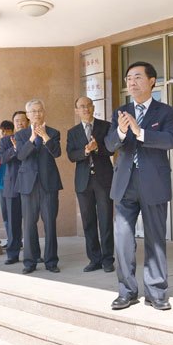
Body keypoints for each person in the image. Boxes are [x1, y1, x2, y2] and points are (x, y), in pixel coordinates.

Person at [105, 61, 173, 311]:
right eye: (128, 78)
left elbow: (169, 141)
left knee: (155, 239)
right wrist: (123, 133)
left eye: (137, 77)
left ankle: (156, 292)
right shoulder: (121, 111)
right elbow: (109, 144)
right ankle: (126, 291)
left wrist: (140, 132)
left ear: (152, 81)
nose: (131, 82)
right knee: (123, 240)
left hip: (153, 183)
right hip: (125, 183)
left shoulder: (165, 112)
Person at [67, 96, 115, 273]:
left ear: (93, 108)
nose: (85, 109)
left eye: (88, 106)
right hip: (83, 182)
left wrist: (97, 148)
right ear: (76, 110)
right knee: (88, 221)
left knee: (105, 220)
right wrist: (86, 151)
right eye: (81, 106)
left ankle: (108, 259)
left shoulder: (106, 126)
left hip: (103, 179)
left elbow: (111, 149)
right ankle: (94, 259)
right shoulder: (73, 132)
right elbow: (71, 155)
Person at [15, 99, 63, 274]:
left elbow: (57, 152)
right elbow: (20, 156)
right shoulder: (20, 135)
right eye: (33, 111)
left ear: (44, 112)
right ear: (27, 115)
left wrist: (45, 137)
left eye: (39, 111)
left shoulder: (53, 132)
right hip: (28, 185)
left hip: (49, 184)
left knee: (50, 223)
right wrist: (32, 139)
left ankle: (51, 261)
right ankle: (30, 261)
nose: (36, 114)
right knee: (29, 225)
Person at [0, 113, 28, 264]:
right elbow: (1, 158)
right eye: (17, 121)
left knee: (30, 221)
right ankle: (12, 254)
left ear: (27, 122)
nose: (20, 123)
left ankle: (32, 253)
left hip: (30, 184)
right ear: (13, 123)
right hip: (12, 185)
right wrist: (15, 149)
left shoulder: (32, 138)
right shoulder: (5, 141)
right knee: (13, 221)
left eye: (23, 120)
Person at [0, 120, 14, 248]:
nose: (4, 133)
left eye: (7, 131)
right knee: (5, 214)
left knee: (14, 214)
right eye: (2, 131)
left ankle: (16, 239)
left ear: (12, 132)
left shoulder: (15, 144)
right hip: (0, 184)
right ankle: (9, 239)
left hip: (12, 183)